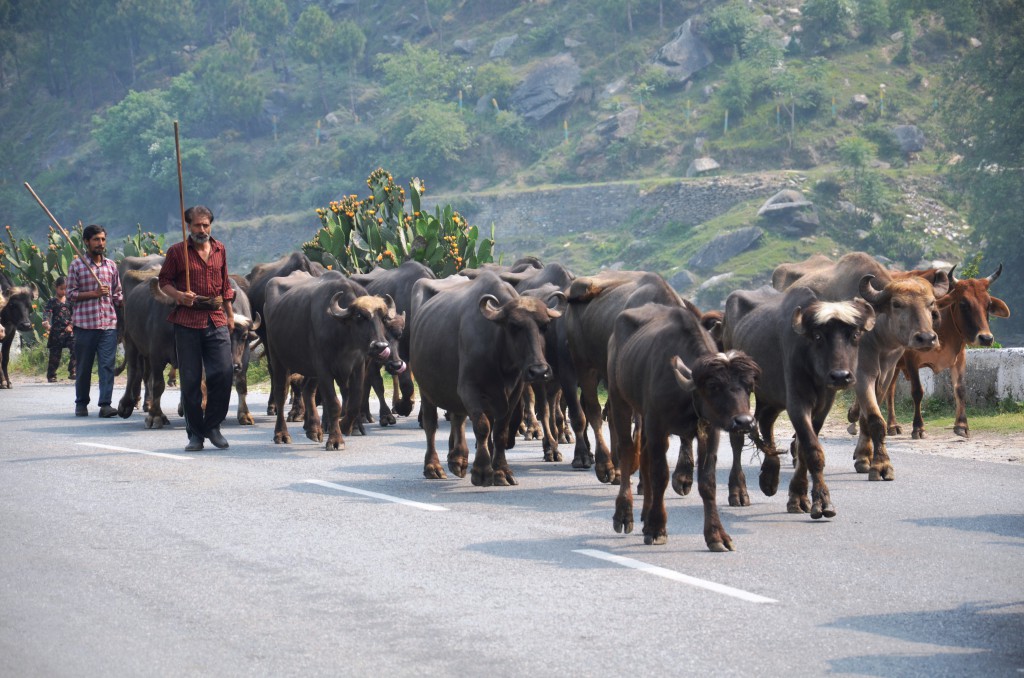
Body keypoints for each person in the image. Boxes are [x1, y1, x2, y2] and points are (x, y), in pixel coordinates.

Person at [158, 205, 235, 451]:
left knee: (224, 373)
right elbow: (164, 281)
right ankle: (195, 434)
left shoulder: (220, 249)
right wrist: (180, 295)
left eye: (206, 225)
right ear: (187, 226)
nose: (202, 230)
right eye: (197, 225)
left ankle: (213, 426)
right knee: (190, 380)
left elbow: (225, 286)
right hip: (187, 321)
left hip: (216, 318)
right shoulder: (177, 252)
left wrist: (231, 315)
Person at [67, 224, 122, 417]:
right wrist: (95, 293)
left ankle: (105, 405)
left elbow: (117, 294)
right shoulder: (77, 265)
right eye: (96, 239)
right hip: (85, 325)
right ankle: (81, 403)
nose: (100, 243)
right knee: (84, 367)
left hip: (108, 325)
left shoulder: (111, 266)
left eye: (103, 239)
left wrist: (129, 305)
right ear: (86, 242)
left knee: (107, 366)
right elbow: (71, 294)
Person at [42, 275, 76, 382]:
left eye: (66, 289)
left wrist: (71, 325)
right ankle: (51, 375)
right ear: (56, 288)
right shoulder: (52, 301)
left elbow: (75, 314)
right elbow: (47, 312)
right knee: (54, 356)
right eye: (61, 289)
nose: (64, 291)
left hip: (69, 332)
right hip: (56, 332)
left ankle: (73, 371)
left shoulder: (70, 301)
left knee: (76, 348)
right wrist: (46, 321)